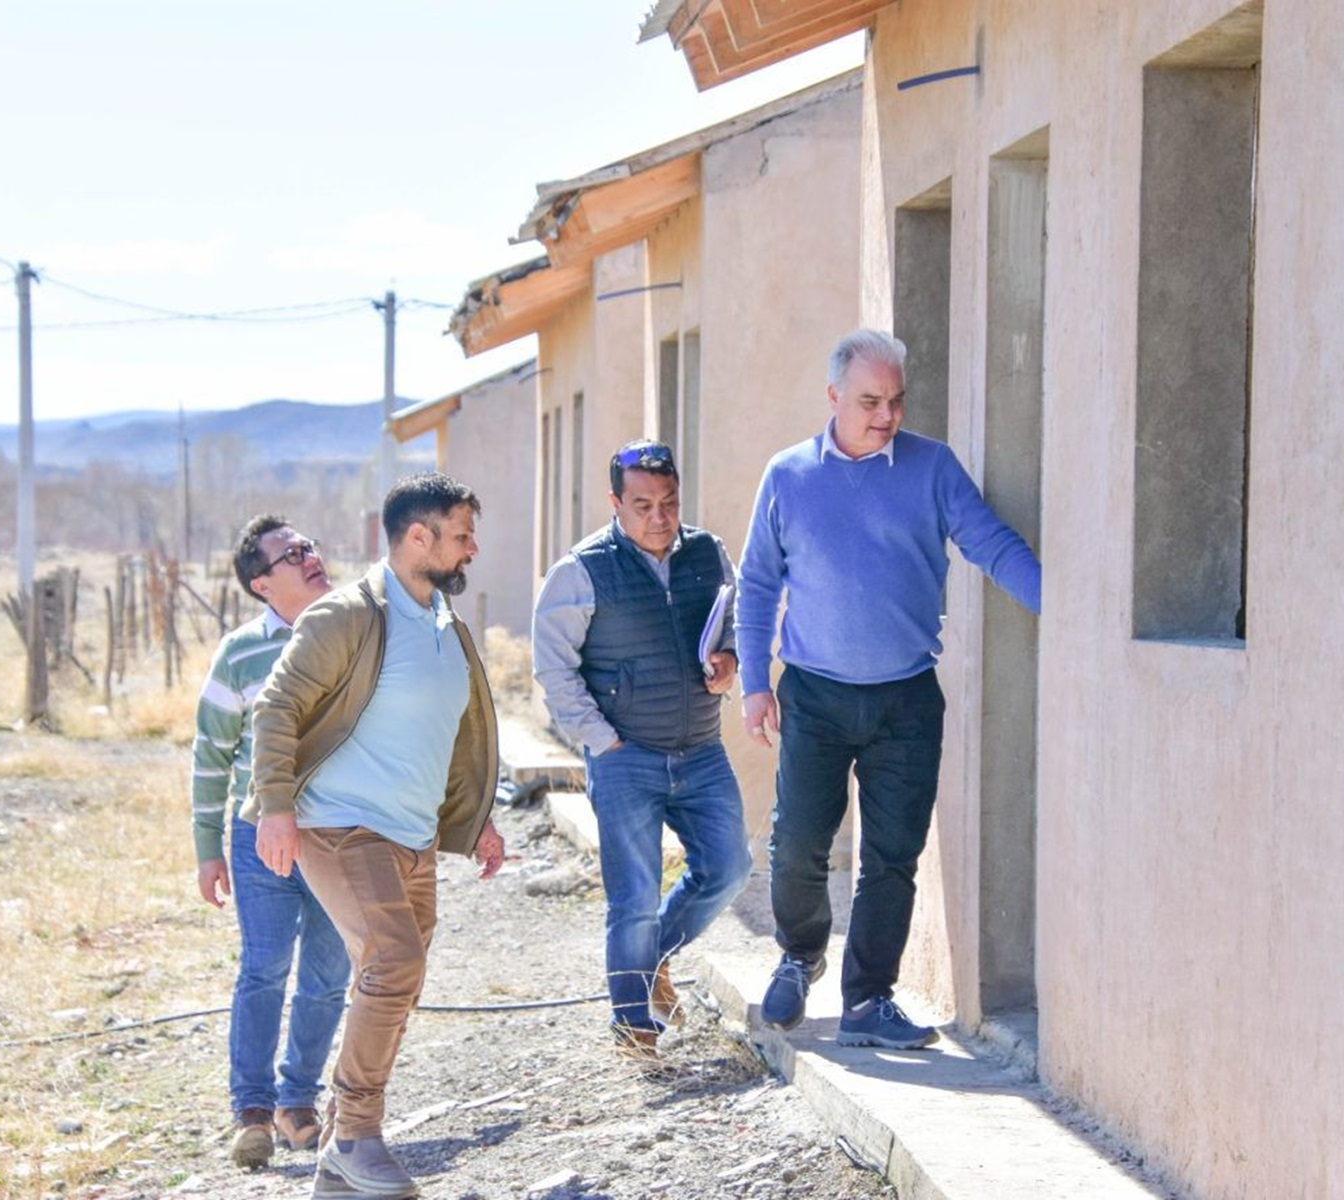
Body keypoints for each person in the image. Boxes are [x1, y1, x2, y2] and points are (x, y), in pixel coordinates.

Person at [736, 328, 1042, 1051]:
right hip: (813, 692)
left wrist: (1060, 602)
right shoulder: (788, 476)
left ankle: (869, 999)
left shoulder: (932, 468)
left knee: (893, 856)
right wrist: (755, 683)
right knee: (799, 844)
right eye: (870, 401)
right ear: (834, 396)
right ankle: (799, 951)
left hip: (906, 698)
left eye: (897, 401)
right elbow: (756, 583)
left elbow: (989, 542)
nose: (886, 416)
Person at [250, 473, 507, 1200]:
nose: (472, 548)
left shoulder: (443, 626)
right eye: (461, 534)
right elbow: (276, 711)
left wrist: (475, 815)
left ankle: (339, 1162)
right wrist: (274, 806)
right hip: (339, 823)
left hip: (412, 836)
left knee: (400, 976)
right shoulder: (345, 617)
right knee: (392, 962)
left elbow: (449, 734)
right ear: (417, 538)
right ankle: (357, 1133)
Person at [531, 439, 752, 1062]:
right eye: (643, 504)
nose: (659, 516)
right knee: (632, 897)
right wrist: (603, 740)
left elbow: (734, 623)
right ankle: (633, 1026)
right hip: (627, 755)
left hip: (702, 748)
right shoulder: (581, 570)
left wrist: (729, 659)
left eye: (669, 502)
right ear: (615, 504)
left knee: (729, 868)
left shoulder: (709, 553)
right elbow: (554, 669)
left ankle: (653, 959)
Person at [191, 516, 351, 1169]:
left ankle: (296, 1102)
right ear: (262, 582)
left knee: (330, 970)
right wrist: (207, 845)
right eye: (292, 555)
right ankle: (253, 1113)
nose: (311, 556)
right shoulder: (239, 654)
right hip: (260, 834)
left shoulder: (354, 634)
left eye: (309, 545)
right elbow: (211, 752)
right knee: (264, 965)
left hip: (342, 834)